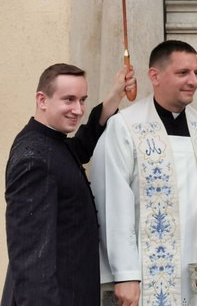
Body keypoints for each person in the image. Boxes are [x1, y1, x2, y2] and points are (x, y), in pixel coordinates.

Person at [91, 40, 197, 306]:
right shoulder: (125, 127)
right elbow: (112, 204)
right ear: (155, 76)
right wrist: (125, 274)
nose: (193, 81)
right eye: (183, 73)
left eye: (196, 72)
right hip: (143, 275)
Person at [2, 62, 135, 306]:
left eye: (82, 100)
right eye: (69, 100)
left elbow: (79, 148)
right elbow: (32, 259)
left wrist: (114, 96)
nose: (78, 109)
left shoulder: (52, 143)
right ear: (42, 100)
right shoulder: (34, 159)